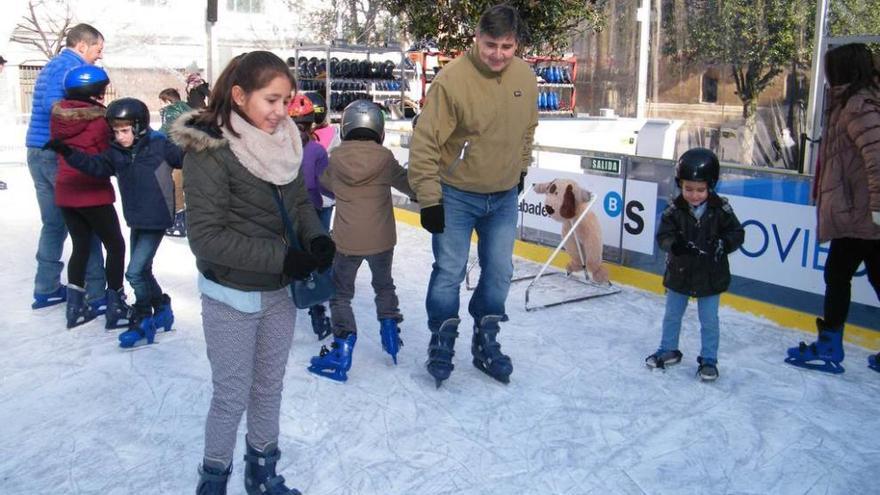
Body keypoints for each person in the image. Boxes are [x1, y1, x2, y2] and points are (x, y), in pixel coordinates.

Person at [170, 51, 333, 494]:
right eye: (272, 101)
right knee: (231, 395)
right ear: (239, 96)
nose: (282, 113)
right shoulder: (211, 150)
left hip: (279, 293)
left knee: (269, 388)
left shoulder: (285, 143)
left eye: (287, 100)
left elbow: (299, 203)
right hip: (232, 296)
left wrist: (315, 237)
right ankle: (214, 479)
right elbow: (206, 238)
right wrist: (282, 258)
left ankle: (262, 471)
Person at [407, 4, 538, 387]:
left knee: (500, 273)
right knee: (449, 272)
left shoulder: (525, 78)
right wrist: (430, 199)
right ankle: (442, 340)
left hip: (502, 197)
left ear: (516, 45)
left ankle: (486, 340)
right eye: (490, 44)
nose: (498, 54)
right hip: (456, 195)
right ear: (476, 38)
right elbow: (426, 143)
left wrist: (521, 169)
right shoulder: (453, 80)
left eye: (507, 46)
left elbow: (528, 128)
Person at [48, 98, 183, 348]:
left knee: (134, 272)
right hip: (136, 219)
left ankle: (143, 316)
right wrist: (68, 153)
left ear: (140, 126)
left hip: (157, 219)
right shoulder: (116, 153)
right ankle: (163, 308)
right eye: (116, 131)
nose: (120, 136)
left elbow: (186, 157)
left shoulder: (159, 145)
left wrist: (199, 136)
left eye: (124, 130)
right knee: (144, 271)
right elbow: (95, 166)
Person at [785, 43, 880, 374]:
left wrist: (878, 209)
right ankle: (829, 342)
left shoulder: (858, 107)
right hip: (858, 212)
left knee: (838, 275)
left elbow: (877, 158)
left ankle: (829, 345)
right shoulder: (850, 103)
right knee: (845, 275)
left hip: (862, 215)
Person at [307, 100, 413, 382]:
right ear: (379, 130)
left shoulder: (337, 159)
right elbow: (409, 185)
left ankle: (342, 345)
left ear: (345, 128)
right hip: (381, 240)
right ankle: (390, 331)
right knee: (384, 285)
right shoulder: (385, 159)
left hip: (346, 241)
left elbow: (325, 182)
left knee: (340, 294)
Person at [25, 23, 107, 311]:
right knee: (88, 222)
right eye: (97, 49)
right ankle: (97, 293)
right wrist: (97, 116)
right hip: (57, 155)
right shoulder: (71, 67)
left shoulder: (51, 65)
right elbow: (55, 105)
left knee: (53, 223)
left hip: (37, 151)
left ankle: (46, 287)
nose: (98, 57)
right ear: (82, 46)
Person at [646, 148, 744, 382]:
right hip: (680, 273)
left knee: (709, 320)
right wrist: (674, 245)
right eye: (688, 189)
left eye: (700, 190)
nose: (694, 195)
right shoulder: (674, 209)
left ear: (711, 186)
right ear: (680, 185)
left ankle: (709, 359)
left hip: (710, 275)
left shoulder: (721, 210)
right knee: (672, 315)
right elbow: (663, 236)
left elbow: (737, 233)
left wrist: (724, 242)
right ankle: (668, 348)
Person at [45, 65, 130, 330]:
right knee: (115, 245)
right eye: (100, 90)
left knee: (81, 246)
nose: (103, 95)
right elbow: (108, 150)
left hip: (66, 191)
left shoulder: (59, 116)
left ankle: (75, 306)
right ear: (91, 90)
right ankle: (115, 304)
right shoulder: (98, 120)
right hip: (91, 190)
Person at [288, 91, 334, 340]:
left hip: (293, 212)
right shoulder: (316, 150)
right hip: (311, 211)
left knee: (301, 258)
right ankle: (318, 309)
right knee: (315, 258)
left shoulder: (279, 148)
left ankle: (313, 309)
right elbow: (324, 182)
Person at [158, 88, 192, 237]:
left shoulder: (171, 111)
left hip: (177, 153)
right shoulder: (187, 108)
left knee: (175, 186)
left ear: (168, 100)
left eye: (162, 101)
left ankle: (179, 221)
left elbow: (165, 131)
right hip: (189, 152)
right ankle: (185, 220)